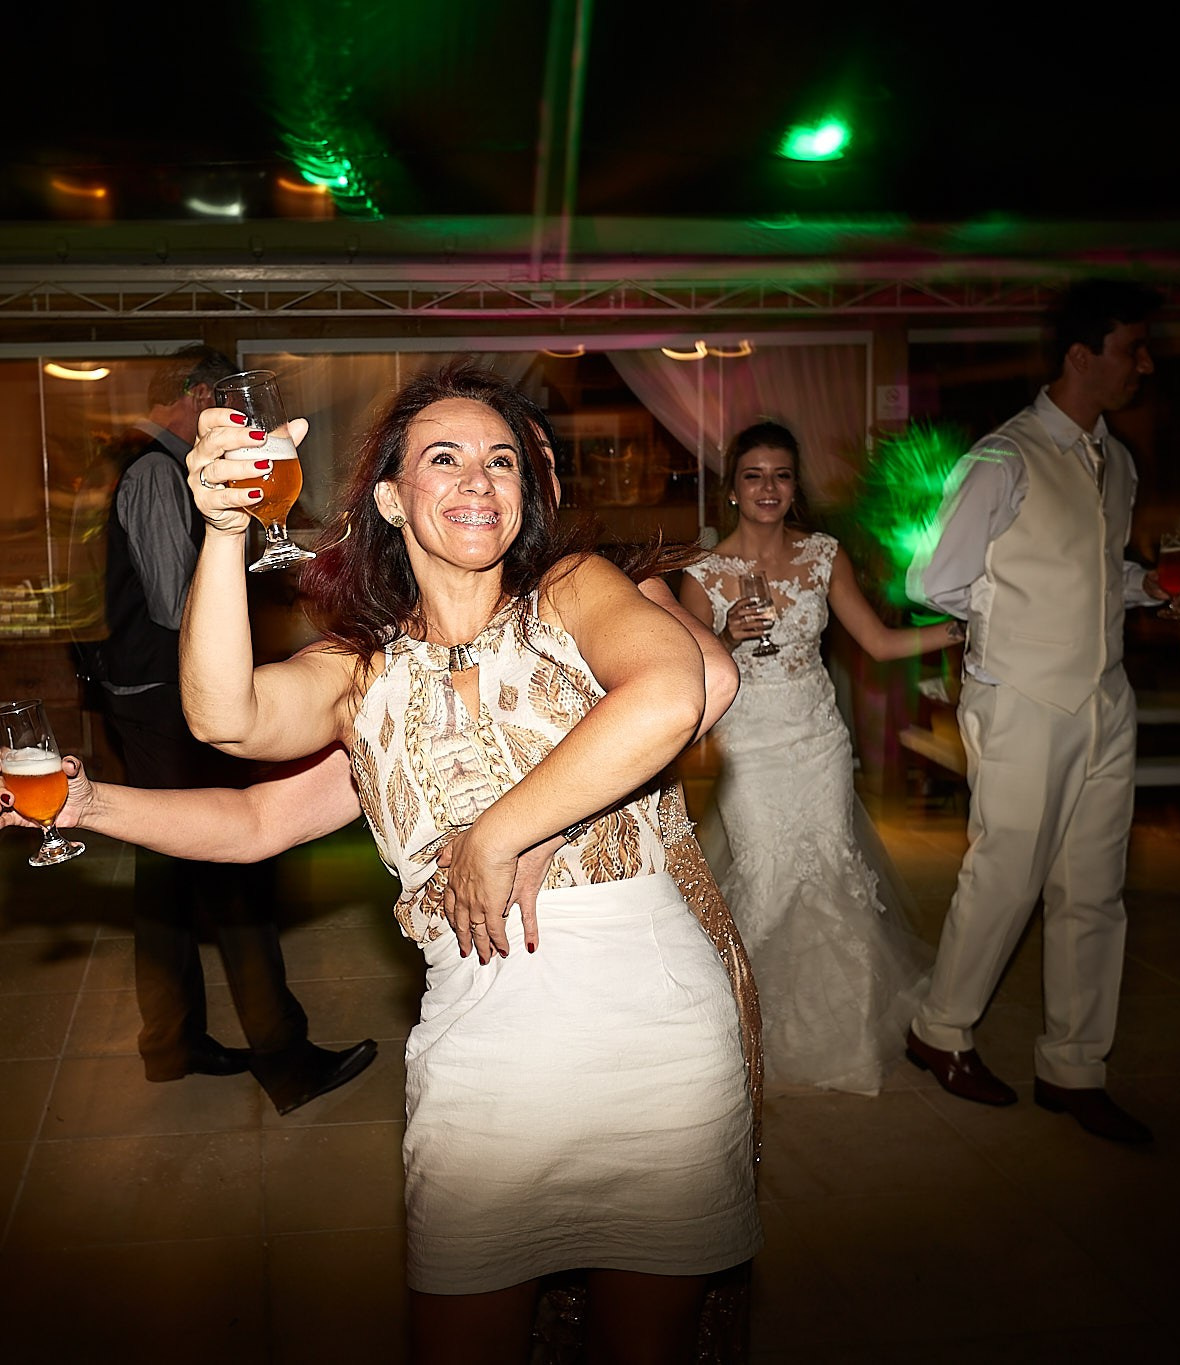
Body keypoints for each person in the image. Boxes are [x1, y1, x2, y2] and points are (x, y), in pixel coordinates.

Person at [173, 362, 758, 1365]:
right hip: (483, 1060)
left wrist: (503, 833)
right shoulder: (361, 665)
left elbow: (678, 690)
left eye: (498, 461)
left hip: (655, 1040)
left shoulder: (573, 593)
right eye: (442, 458)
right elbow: (226, 725)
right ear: (391, 499)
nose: (477, 479)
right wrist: (224, 533)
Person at [903, 279, 1180, 1145]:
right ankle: (939, 1030)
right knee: (1008, 874)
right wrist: (1004, 645)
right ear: (1079, 354)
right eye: (1132, 346)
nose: (1144, 363)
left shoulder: (1119, 461)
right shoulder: (1004, 458)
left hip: (1105, 696)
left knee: (1095, 892)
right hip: (1022, 696)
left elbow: (1100, 568)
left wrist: (1147, 588)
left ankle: (1074, 1066)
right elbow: (932, 580)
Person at [74, 343, 375, 1114]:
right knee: (236, 870)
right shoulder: (152, 468)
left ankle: (171, 1041)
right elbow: (179, 609)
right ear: (203, 393)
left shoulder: (127, 459)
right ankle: (283, 1055)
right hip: (165, 700)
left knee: (165, 868)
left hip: (137, 692)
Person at [678, 421, 961, 1096]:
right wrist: (725, 632)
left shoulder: (823, 555)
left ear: (794, 486)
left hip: (817, 742)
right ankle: (738, 1030)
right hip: (749, 748)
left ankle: (839, 1035)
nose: (768, 487)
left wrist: (968, 627)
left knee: (831, 875)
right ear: (732, 490)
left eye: (780, 474)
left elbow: (880, 643)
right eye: (754, 475)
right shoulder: (703, 574)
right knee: (767, 876)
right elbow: (688, 670)